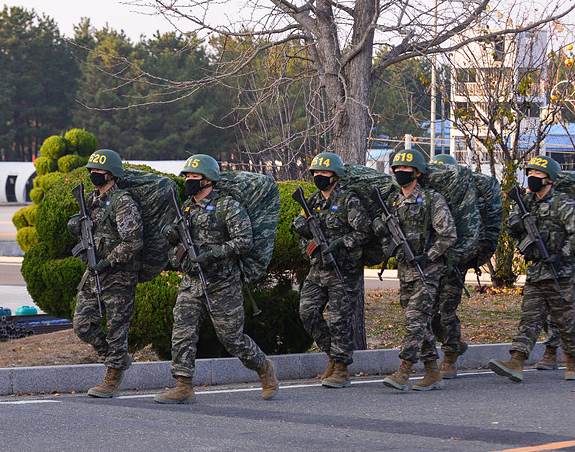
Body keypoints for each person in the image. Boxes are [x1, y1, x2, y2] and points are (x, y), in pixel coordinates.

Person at [156, 154, 277, 403]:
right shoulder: (186, 207)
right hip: (192, 282)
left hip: (222, 282)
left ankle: (264, 368)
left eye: (194, 176)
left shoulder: (227, 206)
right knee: (182, 331)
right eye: (187, 176)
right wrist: (171, 237)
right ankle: (183, 384)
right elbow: (175, 240)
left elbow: (244, 240)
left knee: (232, 339)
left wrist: (212, 253)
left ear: (208, 179)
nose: (189, 180)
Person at [374, 149, 457, 391]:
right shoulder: (393, 202)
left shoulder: (432, 199)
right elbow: (383, 233)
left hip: (428, 272)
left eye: (406, 169)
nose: (401, 173)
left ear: (417, 173)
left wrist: (427, 256)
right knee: (421, 324)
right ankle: (432, 371)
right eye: (397, 169)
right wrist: (383, 233)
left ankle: (404, 371)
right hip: (405, 272)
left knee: (414, 321)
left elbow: (448, 235)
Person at [488, 156, 575, 382]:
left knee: (567, 321)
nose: (532, 177)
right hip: (537, 271)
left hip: (561, 272)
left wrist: (562, 254)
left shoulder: (562, 203)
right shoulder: (527, 201)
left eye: (538, 174)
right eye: (531, 173)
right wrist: (519, 217)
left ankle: (573, 362)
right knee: (529, 318)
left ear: (550, 179)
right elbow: (512, 229)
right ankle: (516, 360)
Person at [292, 152, 372, 388]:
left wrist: (340, 243)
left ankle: (342, 367)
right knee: (307, 312)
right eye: (316, 172)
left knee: (340, 320)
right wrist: (306, 237)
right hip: (318, 269)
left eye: (324, 173)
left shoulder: (349, 200)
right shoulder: (311, 202)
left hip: (343, 270)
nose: (319, 176)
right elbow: (299, 226)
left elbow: (364, 233)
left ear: (335, 176)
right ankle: (331, 355)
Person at [67, 150, 143, 398]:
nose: (93, 175)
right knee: (82, 324)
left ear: (110, 174)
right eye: (91, 171)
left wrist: (108, 262)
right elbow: (83, 230)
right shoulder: (90, 199)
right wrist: (75, 225)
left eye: (97, 171)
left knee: (116, 328)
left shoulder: (123, 203)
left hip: (118, 276)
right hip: (94, 273)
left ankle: (112, 377)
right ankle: (115, 357)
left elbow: (133, 242)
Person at [428, 153, 470, 378]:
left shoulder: (462, 200)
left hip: (453, 263)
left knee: (446, 311)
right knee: (428, 312)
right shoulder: (428, 198)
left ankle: (450, 356)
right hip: (430, 264)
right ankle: (451, 341)